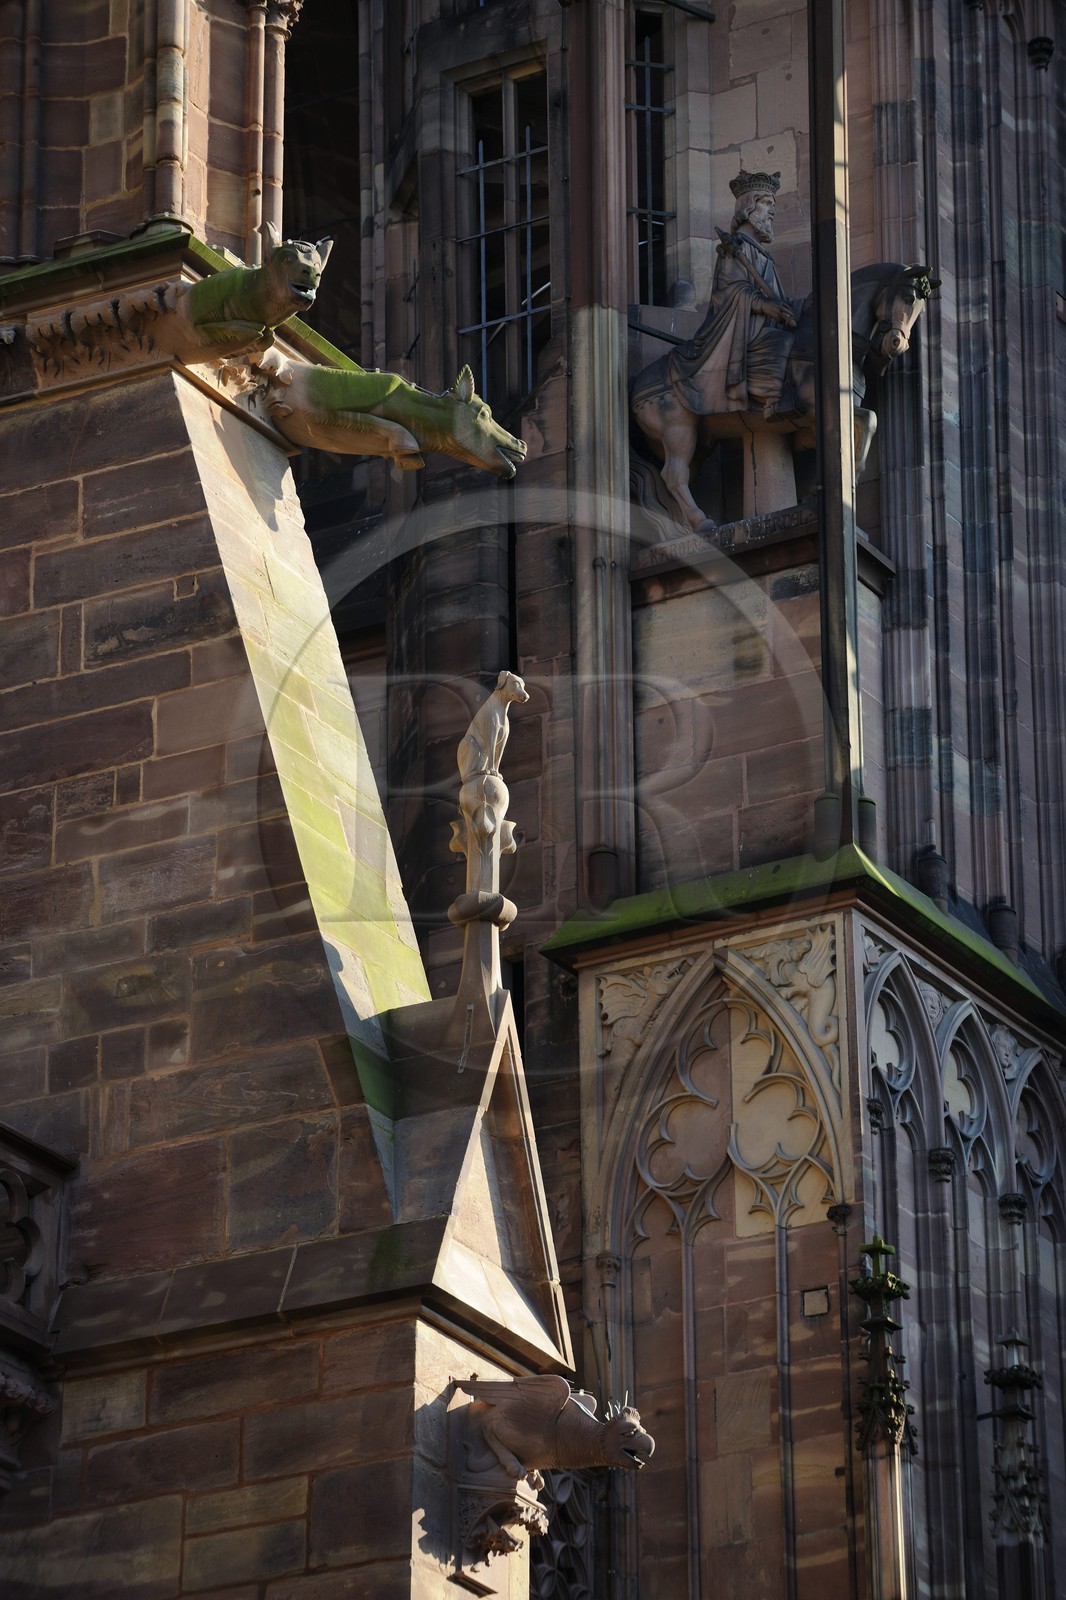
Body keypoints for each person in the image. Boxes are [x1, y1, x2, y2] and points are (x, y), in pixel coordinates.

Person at [668, 169, 800, 419]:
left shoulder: (764, 255)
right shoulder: (733, 248)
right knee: (783, 343)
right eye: (766, 203)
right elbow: (729, 291)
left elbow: (778, 297)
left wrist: (794, 307)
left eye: (773, 204)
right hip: (738, 330)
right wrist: (765, 306)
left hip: (761, 327)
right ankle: (773, 399)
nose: (772, 211)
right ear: (748, 207)